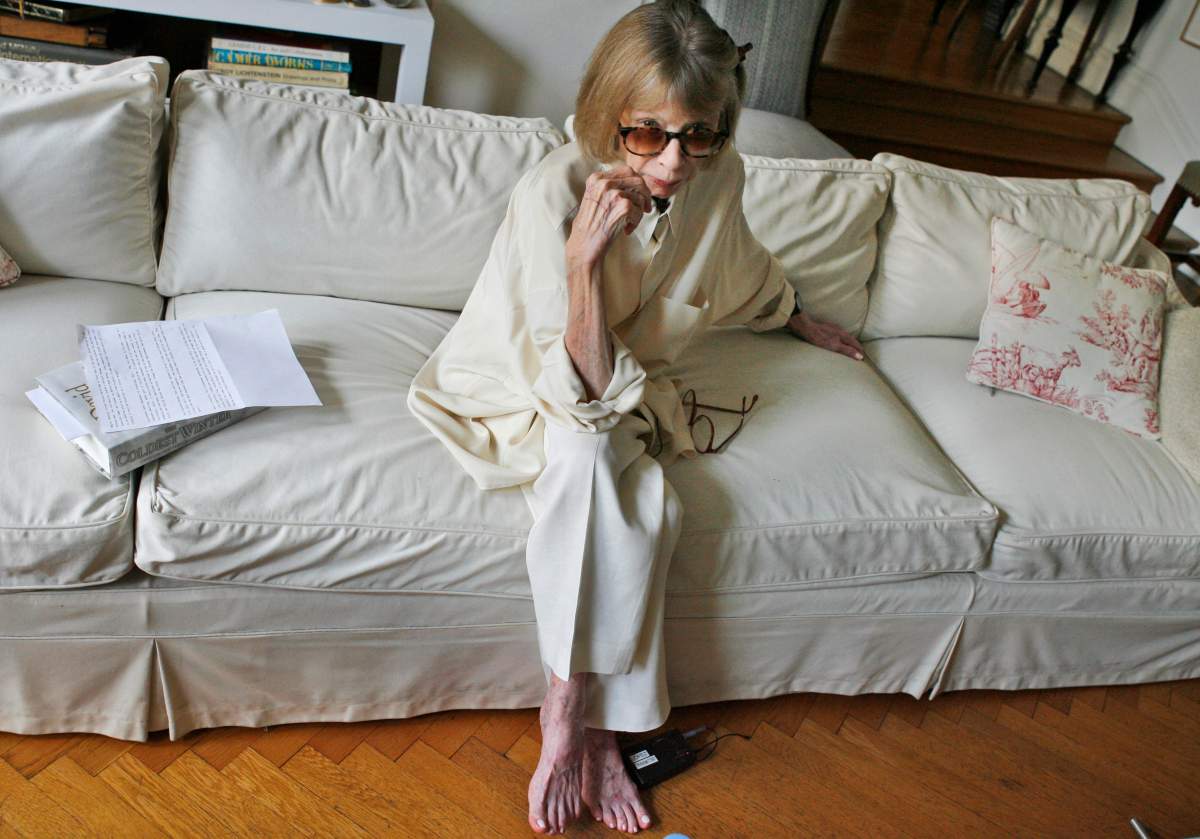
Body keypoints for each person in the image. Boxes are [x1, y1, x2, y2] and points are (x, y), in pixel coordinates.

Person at [407, 1, 864, 833]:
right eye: (647, 133)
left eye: (700, 134)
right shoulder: (554, 192)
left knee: (640, 499)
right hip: (528, 385)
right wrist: (585, 264)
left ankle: (582, 722)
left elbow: (739, 263)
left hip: (624, 393)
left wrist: (795, 312)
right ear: (608, 112)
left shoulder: (718, 177)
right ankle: (585, 715)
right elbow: (577, 395)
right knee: (610, 477)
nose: (674, 162)